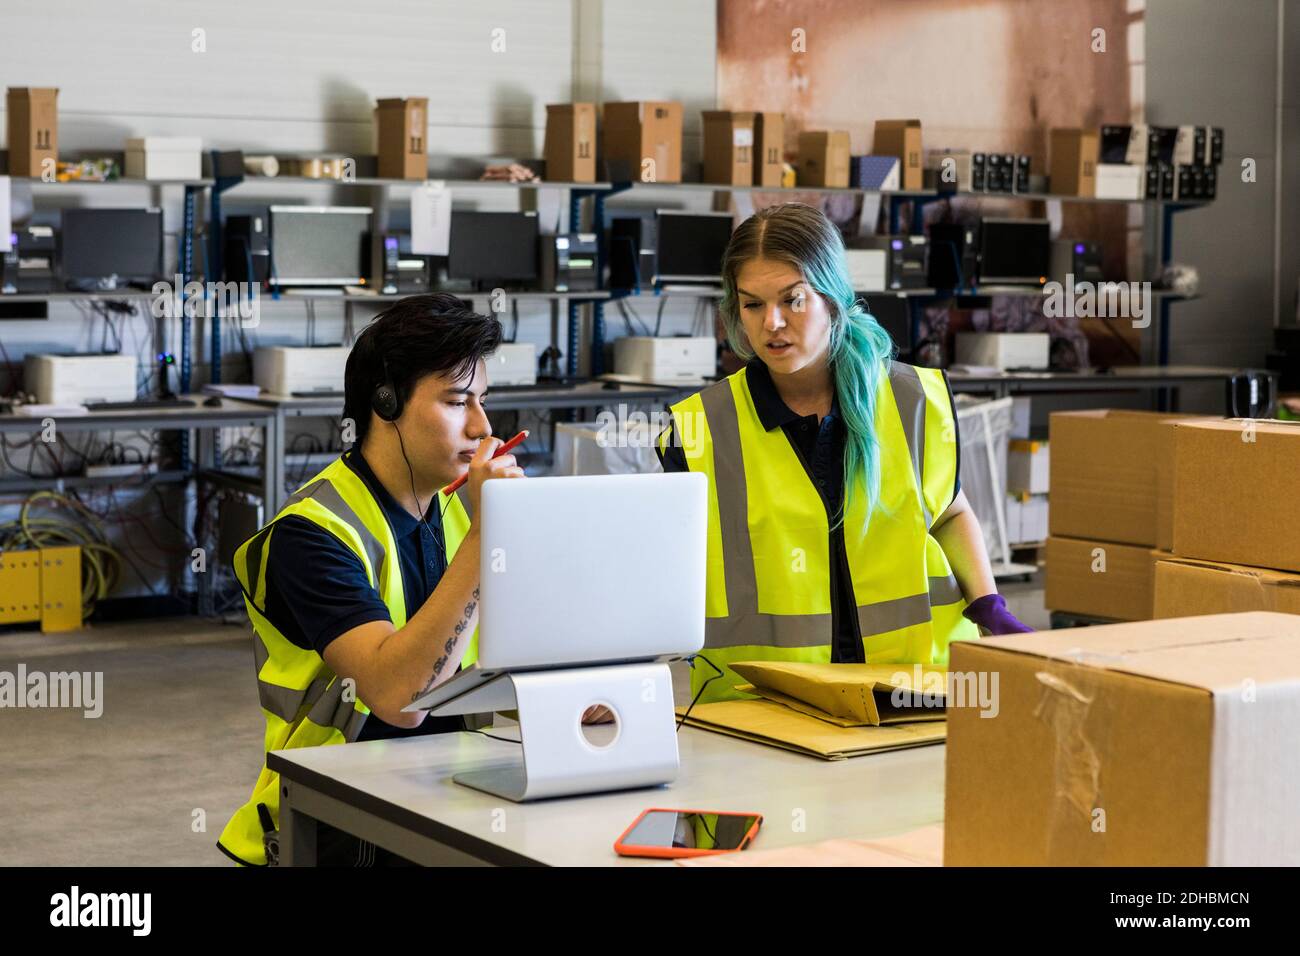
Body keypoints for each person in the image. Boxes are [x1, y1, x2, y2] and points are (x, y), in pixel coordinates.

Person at [656, 203, 1031, 705]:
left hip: (916, 685)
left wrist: (988, 606)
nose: (772, 323)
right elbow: (666, 567)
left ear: (832, 299)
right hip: (768, 700)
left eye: (793, 300)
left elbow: (948, 511)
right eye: (751, 305)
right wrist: (615, 672)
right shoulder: (700, 429)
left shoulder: (910, 400)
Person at [218, 293, 523, 866]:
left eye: (483, 401)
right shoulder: (310, 534)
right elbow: (397, 698)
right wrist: (491, 537)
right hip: (334, 819)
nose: (483, 426)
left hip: (447, 794)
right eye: (458, 401)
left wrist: (576, 696)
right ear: (386, 404)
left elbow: (516, 647)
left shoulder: (457, 512)